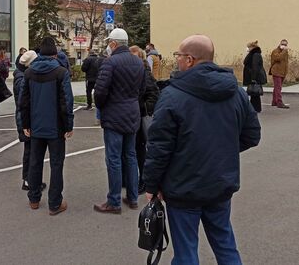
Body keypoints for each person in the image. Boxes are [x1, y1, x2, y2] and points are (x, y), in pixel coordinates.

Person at [143, 35, 261, 265]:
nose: (176, 60)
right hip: (220, 183)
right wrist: (220, 151)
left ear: (190, 59)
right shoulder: (235, 92)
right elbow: (252, 135)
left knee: (186, 253)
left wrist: (151, 185)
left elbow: (159, 148)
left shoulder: (172, 95)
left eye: (178, 56)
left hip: (183, 187)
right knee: (226, 245)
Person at [19, 37, 74, 216]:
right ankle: (54, 203)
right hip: (55, 127)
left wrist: (25, 124)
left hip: (35, 126)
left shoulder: (28, 73)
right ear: (55, 54)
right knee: (56, 164)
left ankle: (34, 199)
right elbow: (66, 101)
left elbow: (24, 102)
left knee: (35, 162)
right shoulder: (61, 72)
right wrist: (68, 125)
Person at [93, 28, 145, 214]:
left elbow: (100, 91)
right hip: (132, 113)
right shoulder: (139, 62)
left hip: (114, 114)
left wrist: (102, 107)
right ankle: (132, 198)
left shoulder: (110, 63)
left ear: (113, 43)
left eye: (109, 43)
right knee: (130, 156)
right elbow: (142, 88)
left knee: (113, 158)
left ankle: (114, 201)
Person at [13, 50, 46, 191]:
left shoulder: (21, 75)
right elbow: (24, 101)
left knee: (31, 150)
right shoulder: (22, 78)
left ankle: (29, 179)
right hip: (25, 119)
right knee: (30, 151)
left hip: (25, 118)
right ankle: (28, 180)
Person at [129, 46, 159, 194]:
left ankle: (144, 181)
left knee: (141, 149)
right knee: (134, 149)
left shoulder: (145, 72)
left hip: (141, 115)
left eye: (135, 56)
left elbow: (154, 93)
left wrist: (144, 108)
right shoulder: (131, 71)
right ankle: (133, 179)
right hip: (132, 115)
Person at [243, 40, 267, 113]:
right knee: (254, 94)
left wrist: (253, 78)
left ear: (252, 47)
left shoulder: (255, 55)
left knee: (254, 93)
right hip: (253, 76)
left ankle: (255, 108)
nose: (247, 48)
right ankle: (255, 108)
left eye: (248, 47)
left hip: (254, 77)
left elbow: (255, 66)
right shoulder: (253, 54)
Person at [270, 39, 290, 109]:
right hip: (276, 71)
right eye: (283, 44)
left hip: (282, 72)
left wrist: (286, 71)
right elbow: (278, 58)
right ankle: (279, 102)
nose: (284, 46)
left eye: (285, 45)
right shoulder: (275, 51)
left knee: (277, 87)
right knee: (278, 87)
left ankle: (274, 101)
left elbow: (285, 62)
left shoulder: (285, 52)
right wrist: (284, 51)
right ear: (280, 44)